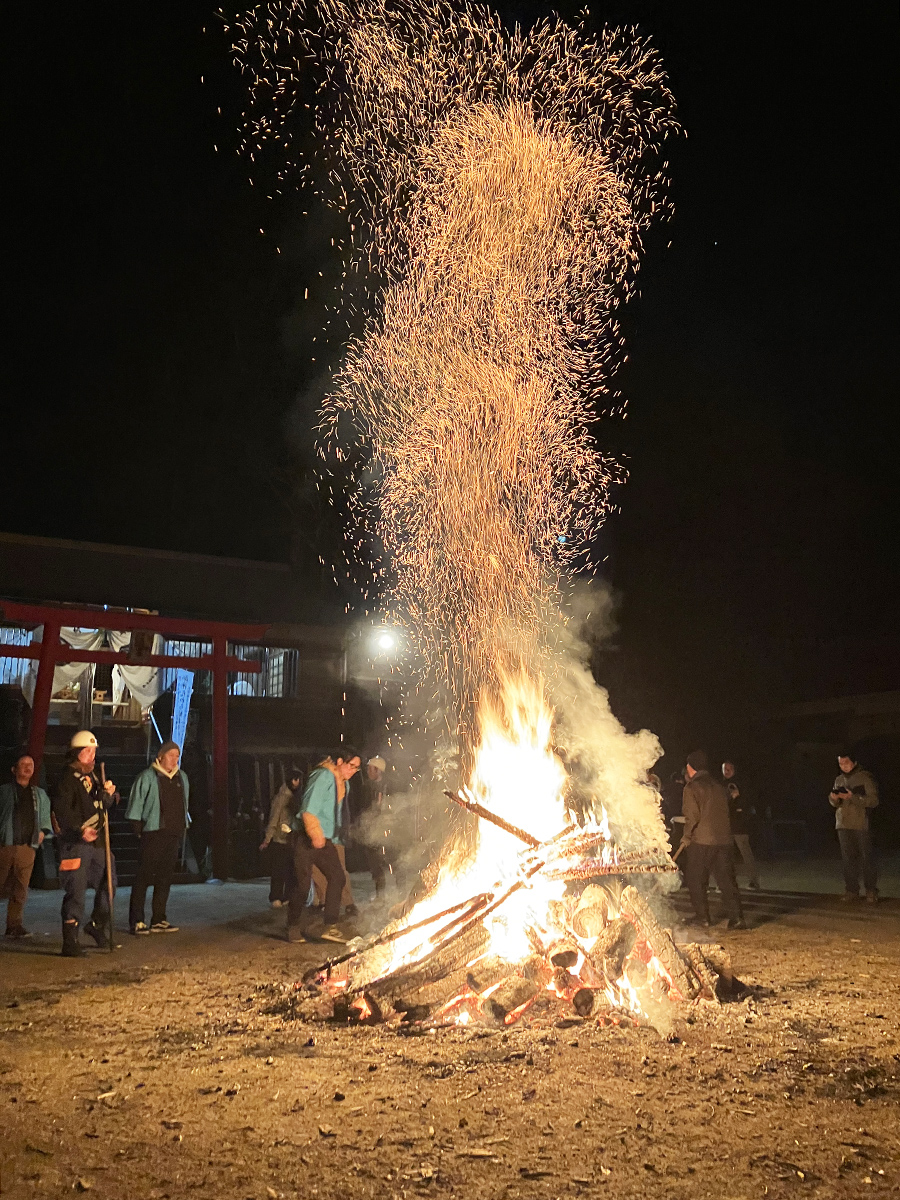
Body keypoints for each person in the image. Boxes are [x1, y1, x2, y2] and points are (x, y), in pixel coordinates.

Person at [50, 731, 118, 957]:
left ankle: (97, 924)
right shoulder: (66, 779)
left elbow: (100, 805)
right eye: (87, 751)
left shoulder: (93, 777)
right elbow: (61, 811)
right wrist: (78, 830)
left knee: (109, 883)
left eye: (93, 751)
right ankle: (70, 940)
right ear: (76, 753)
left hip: (98, 843)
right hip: (76, 843)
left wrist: (109, 795)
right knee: (76, 891)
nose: (92, 756)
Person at [287, 748, 361, 943]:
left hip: (324, 838)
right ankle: (293, 926)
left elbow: (336, 814)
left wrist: (336, 838)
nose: (353, 771)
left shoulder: (343, 783)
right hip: (306, 837)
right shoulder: (323, 776)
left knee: (337, 877)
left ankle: (330, 925)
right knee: (302, 886)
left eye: (356, 768)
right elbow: (308, 810)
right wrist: (315, 834)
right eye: (351, 765)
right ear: (339, 761)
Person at [124, 740, 190, 934]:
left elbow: (185, 802)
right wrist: (138, 829)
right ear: (160, 757)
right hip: (152, 832)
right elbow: (136, 804)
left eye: (177, 756)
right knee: (143, 877)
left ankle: (159, 918)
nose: (174, 759)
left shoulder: (182, 777)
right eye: (171, 755)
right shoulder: (147, 777)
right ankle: (137, 920)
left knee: (165, 877)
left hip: (173, 833)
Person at [681, 750, 746, 930]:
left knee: (696, 879)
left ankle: (702, 917)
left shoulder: (691, 788)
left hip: (702, 840)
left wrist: (686, 837)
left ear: (691, 768)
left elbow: (692, 817)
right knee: (726, 880)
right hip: (724, 839)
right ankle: (737, 917)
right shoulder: (719, 786)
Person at [0, 754, 52, 938]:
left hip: (27, 847)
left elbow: (45, 818)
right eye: (23, 764)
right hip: (5, 845)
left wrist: (43, 832)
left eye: (30, 764)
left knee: (21, 887)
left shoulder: (39, 794)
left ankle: (14, 925)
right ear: (14, 769)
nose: (28, 767)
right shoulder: (4, 792)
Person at [829, 751, 879, 903]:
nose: (843, 766)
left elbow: (873, 800)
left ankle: (871, 891)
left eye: (846, 763)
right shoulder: (839, 780)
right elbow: (834, 803)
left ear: (854, 762)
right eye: (840, 764)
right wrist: (834, 798)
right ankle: (851, 890)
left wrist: (853, 797)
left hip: (860, 823)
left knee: (866, 858)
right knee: (848, 860)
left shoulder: (865, 777)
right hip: (843, 824)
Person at [260, 768, 302, 907]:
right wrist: (268, 838)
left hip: (293, 838)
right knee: (279, 869)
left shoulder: (296, 796)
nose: (297, 782)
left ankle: (287, 896)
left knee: (291, 869)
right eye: (295, 779)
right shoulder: (282, 797)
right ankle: (276, 897)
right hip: (281, 837)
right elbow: (273, 819)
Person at [722, 760, 760, 889]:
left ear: (734, 770)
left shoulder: (741, 784)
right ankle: (728, 882)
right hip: (727, 825)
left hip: (739, 825)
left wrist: (737, 799)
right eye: (724, 769)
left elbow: (746, 803)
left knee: (745, 853)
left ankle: (753, 881)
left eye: (729, 769)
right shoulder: (721, 785)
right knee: (726, 855)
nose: (726, 771)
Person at [356, 756, 387, 899]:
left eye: (370, 769)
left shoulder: (389, 787)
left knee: (394, 863)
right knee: (375, 865)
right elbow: (363, 809)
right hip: (371, 831)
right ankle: (380, 895)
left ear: (378, 770)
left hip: (386, 830)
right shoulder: (366, 788)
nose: (367, 771)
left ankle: (401, 894)